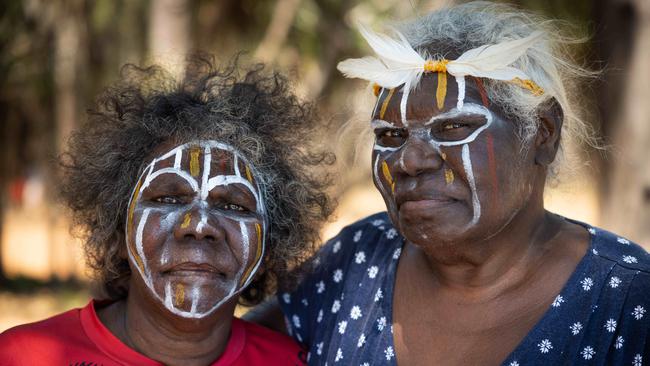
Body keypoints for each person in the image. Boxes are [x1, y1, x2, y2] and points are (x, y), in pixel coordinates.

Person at [265, 2, 650, 365]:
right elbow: (236, 345)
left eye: (454, 127)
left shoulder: (628, 297)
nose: (409, 161)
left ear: (542, 134)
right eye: (390, 137)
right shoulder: (359, 257)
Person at [0, 57, 334, 365]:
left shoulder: (291, 362)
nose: (200, 224)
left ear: (267, 253)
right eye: (166, 199)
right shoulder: (22, 356)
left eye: (233, 205)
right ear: (117, 233)